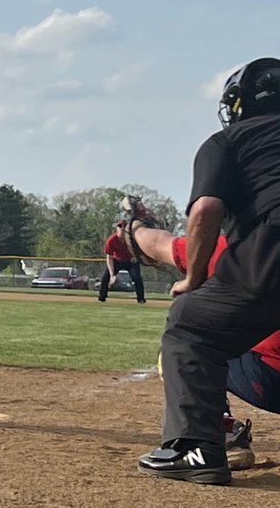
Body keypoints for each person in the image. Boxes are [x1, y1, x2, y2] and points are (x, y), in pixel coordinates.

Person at [137, 57, 280, 485]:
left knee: (190, 327)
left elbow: (205, 210)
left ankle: (199, 447)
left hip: (270, 251)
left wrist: (193, 279)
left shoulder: (230, 141)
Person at [97, 220, 146, 303]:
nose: (122, 228)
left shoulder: (133, 240)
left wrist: (136, 257)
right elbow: (109, 258)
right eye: (119, 226)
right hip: (117, 261)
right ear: (116, 228)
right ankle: (102, 298)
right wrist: (112, 275)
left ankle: (141, 299)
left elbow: (141, 250)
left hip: (130, 262)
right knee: (105, 277)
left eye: (124, 226)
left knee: (137, 278)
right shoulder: (111, 240)